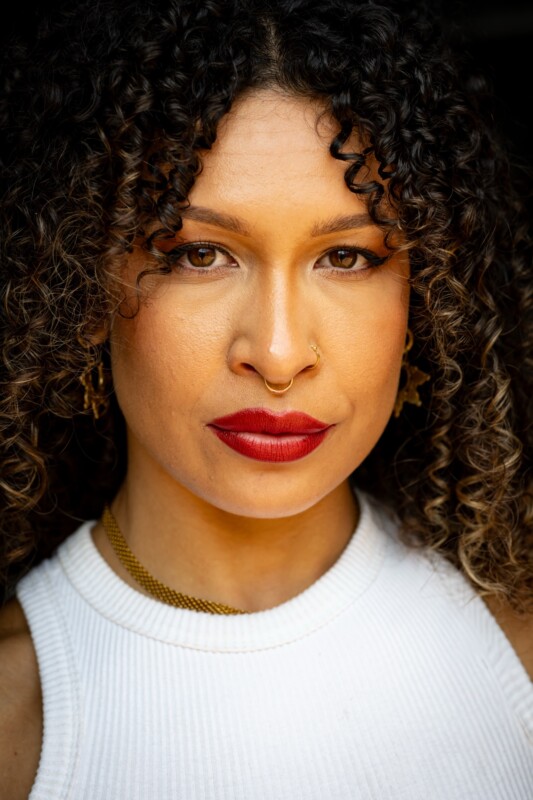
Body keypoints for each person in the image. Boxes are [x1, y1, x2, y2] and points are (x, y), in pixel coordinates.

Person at [0, 0, 531, 797]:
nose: (278, 354)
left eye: (347, 257)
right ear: (82, 282)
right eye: (198, 254)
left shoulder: (515, 646)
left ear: (427, 298)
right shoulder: (15, 721)